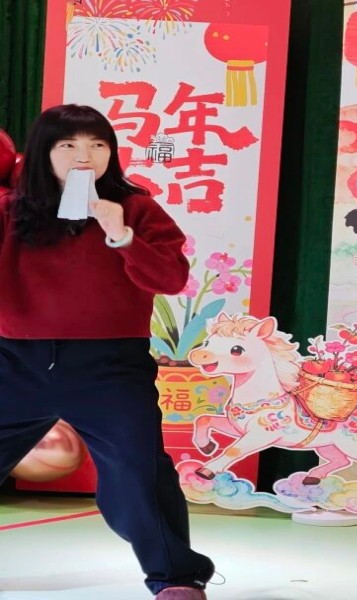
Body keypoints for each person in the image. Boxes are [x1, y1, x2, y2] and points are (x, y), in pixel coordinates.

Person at [0, 104, 214, 599]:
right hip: (14, 361)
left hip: (110, 365)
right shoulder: (10, 209)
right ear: (42, 153)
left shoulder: (136, 208)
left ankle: (176, 578)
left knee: (139, 471)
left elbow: (171, 279)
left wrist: (121, 234)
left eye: (97, 144)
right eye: (68, 145)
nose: (84, 156)